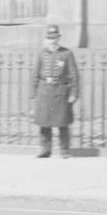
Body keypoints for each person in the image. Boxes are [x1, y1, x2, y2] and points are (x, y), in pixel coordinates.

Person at [32, 24, 80, 158]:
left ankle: (64, 150)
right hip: (44, 91)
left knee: (62, 122)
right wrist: (33, 95)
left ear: (59, 38)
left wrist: (74, 93)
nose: (52, 41)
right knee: (44, 122)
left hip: (60, 91)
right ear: (46, 39)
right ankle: (45, 150)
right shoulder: (41, 54)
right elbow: (35, 74)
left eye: (54, 38)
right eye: (49, 38)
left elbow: (74, 75)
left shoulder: (66, 53)